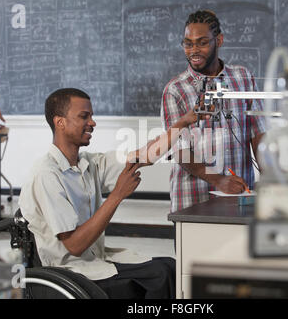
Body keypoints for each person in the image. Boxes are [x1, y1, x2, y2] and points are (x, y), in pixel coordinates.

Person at [18, 88, 205, 299]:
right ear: (60, 122)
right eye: (84, 116)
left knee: (171, 267)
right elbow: (75, 245)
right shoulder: (47, 175)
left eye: (91, 116)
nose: (93, 122)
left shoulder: (88, 163)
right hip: (70, 271)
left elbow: (145, 155)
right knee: (161, 276)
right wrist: (117, 195)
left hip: (94, 260)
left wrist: (184, 122)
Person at [161, 10, 266, 212]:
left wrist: (270, 178)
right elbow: (179, 150)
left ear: (219, 40)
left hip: (240, 196)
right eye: (188, 43)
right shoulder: (175, 90)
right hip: (192, 201)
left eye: (202, 42)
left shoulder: (243, 77)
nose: (194, 50)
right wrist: (219, 181)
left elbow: (258, 134)